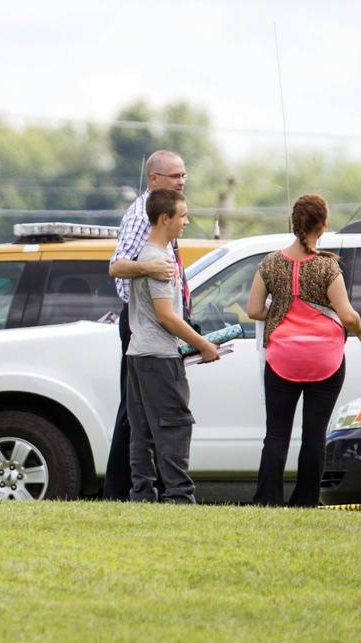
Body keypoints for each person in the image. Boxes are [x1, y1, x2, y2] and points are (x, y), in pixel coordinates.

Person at [246, 194, 361, 507]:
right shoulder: (328, 268)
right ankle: (304, 500)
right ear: (323, 224)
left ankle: (267, 498)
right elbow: (347, 316)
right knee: (314, 432)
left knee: (276, 433)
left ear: (294, 224)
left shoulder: (270, 263)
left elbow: (252, 310)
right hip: (325, 361)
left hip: (281, 359)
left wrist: (280, 313)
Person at [104, 150, 190, 500]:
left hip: (154, 319)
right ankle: (123, 489)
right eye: (174, 176)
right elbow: (117, 266)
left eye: (184, 175)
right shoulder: (143, 214)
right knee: (137, 413)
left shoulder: (164, 212)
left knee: (138, 413)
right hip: (144, 320)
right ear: (154, 179)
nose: (181, 181)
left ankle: (136, 490)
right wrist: (149, 269)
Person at [124, 189, 219, 504]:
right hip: (159, 357)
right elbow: (166, 316)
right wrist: (203, 344)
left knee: (143, 432)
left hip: (139, 354)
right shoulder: (159, 262)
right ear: (164, 218)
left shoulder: (145, 258)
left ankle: (142, 495)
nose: (187, 221)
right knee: (174, 425)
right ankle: (179, 497)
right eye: (182, 216)